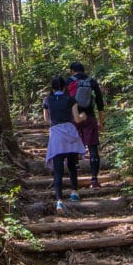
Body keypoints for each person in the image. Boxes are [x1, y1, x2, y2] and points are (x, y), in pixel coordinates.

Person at [42, 75, 87, 213]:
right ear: (64, 87)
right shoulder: (70, 99)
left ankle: (59, 201)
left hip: (56, 135)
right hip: (70, 133)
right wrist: (83, 116)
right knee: (72, 165)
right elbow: (77, 119)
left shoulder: (47, 100)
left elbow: (46, 120)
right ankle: (74, 192)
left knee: (58, 170)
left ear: (52, 87)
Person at [67, 61, 106, 187]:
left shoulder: (69, 81)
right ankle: (94, 179)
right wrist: (101, 121)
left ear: (72, 71)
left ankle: (75, 172)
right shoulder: (91, 82)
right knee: (93, 147)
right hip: (90, 117)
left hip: (74, 118)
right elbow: (100, 102)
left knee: (72, 145)